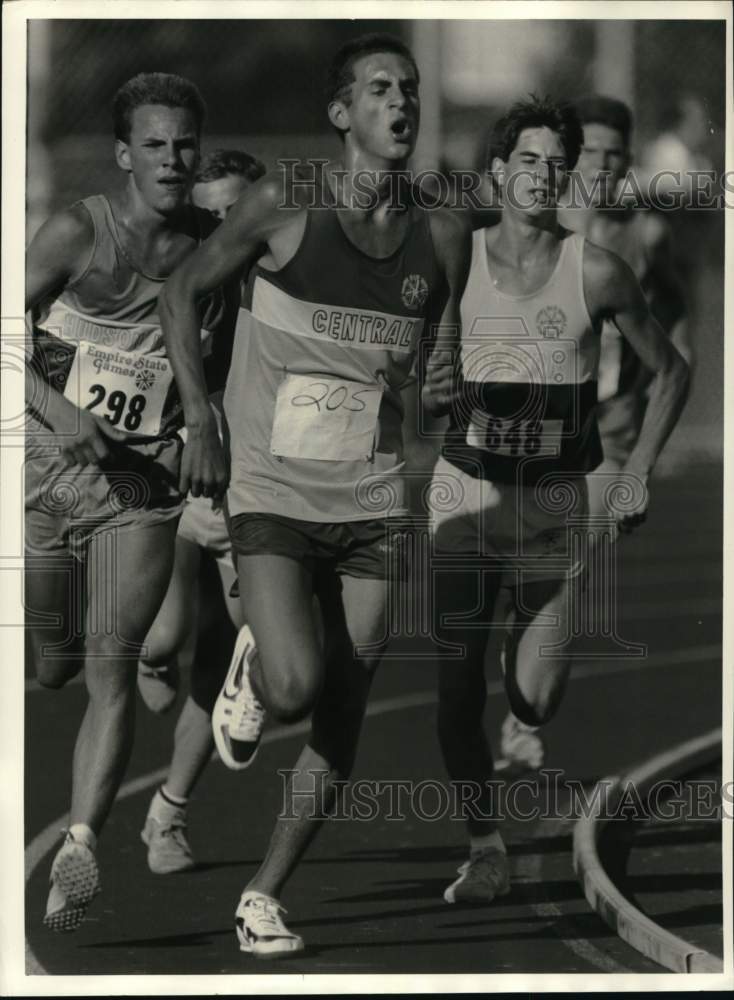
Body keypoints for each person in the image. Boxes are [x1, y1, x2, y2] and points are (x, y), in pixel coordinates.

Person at [159, 32, 469, 956]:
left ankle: (263, 895)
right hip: (273, 491)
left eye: (409, 88)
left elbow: (432, 375)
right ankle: (256, 667)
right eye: (379, 89)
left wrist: (441, 386)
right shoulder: (286, 204)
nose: (400, 102)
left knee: (345, 706)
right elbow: (180, 293)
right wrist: (201, 417)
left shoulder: (443, 234)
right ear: (341, 113)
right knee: (295, 687)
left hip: (373, 501)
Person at [429, 96, 689, 905]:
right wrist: (424, 381)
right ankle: (485, 846)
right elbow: (402, 346)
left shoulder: (598, 271)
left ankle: (530, 633)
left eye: (556, 163)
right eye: (527, 161)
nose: (542, 176)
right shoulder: (457, 254)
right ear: (498, 171)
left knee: (534, 698)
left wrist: (637, 469)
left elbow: (673, 371)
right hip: (466, 496)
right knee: (455, 690)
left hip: (550, 508)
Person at [25, 72, 237, 930]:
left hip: (140, 487)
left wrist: (201, 426)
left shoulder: (214, 248)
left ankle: (78, 847)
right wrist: (60, 409)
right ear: (123, 156)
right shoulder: (77, 232)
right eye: (154, 145)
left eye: (185, 144)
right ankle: (52, 653)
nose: (173, 159)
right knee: (54, 663)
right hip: (46, 473)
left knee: (109, 669)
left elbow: (225, 357)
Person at [497, 94, 693, 773]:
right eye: (593, 153)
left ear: (629, 159)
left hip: (607, 436)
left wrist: (667, 371)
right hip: (524, 434)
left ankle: (519, 720)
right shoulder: (537, 221)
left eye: (616, 154)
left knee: (569, 565)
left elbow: (675, 316)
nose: (604, 166)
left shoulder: (646, 235)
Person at [137, 149, 266, 875]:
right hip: (177, 483)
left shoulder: (289, 280)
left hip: (249, 493)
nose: (225, 229)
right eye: (210, 215)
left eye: (236, 213)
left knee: (234, 652)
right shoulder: (181, 280)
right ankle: (146, 647)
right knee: (165, 638)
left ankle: (168, 816)